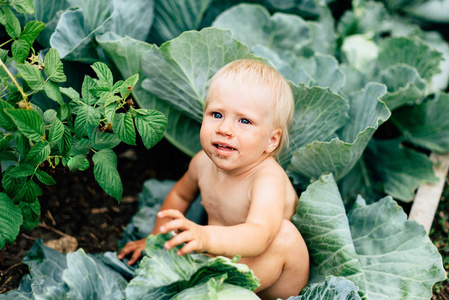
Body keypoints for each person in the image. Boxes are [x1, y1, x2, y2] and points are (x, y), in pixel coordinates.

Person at [118, 59, 309, 299]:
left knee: (285, 236)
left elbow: (259, 236)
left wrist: (205, 236)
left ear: (272, 140)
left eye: (244, 121)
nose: (225, 128)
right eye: (216, 114)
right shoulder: (202, 162)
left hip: (272, 281)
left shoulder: (267, 179)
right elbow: (180, 194)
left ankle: (209, 291)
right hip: (220, 260)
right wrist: (154, 239)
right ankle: (206, 289)